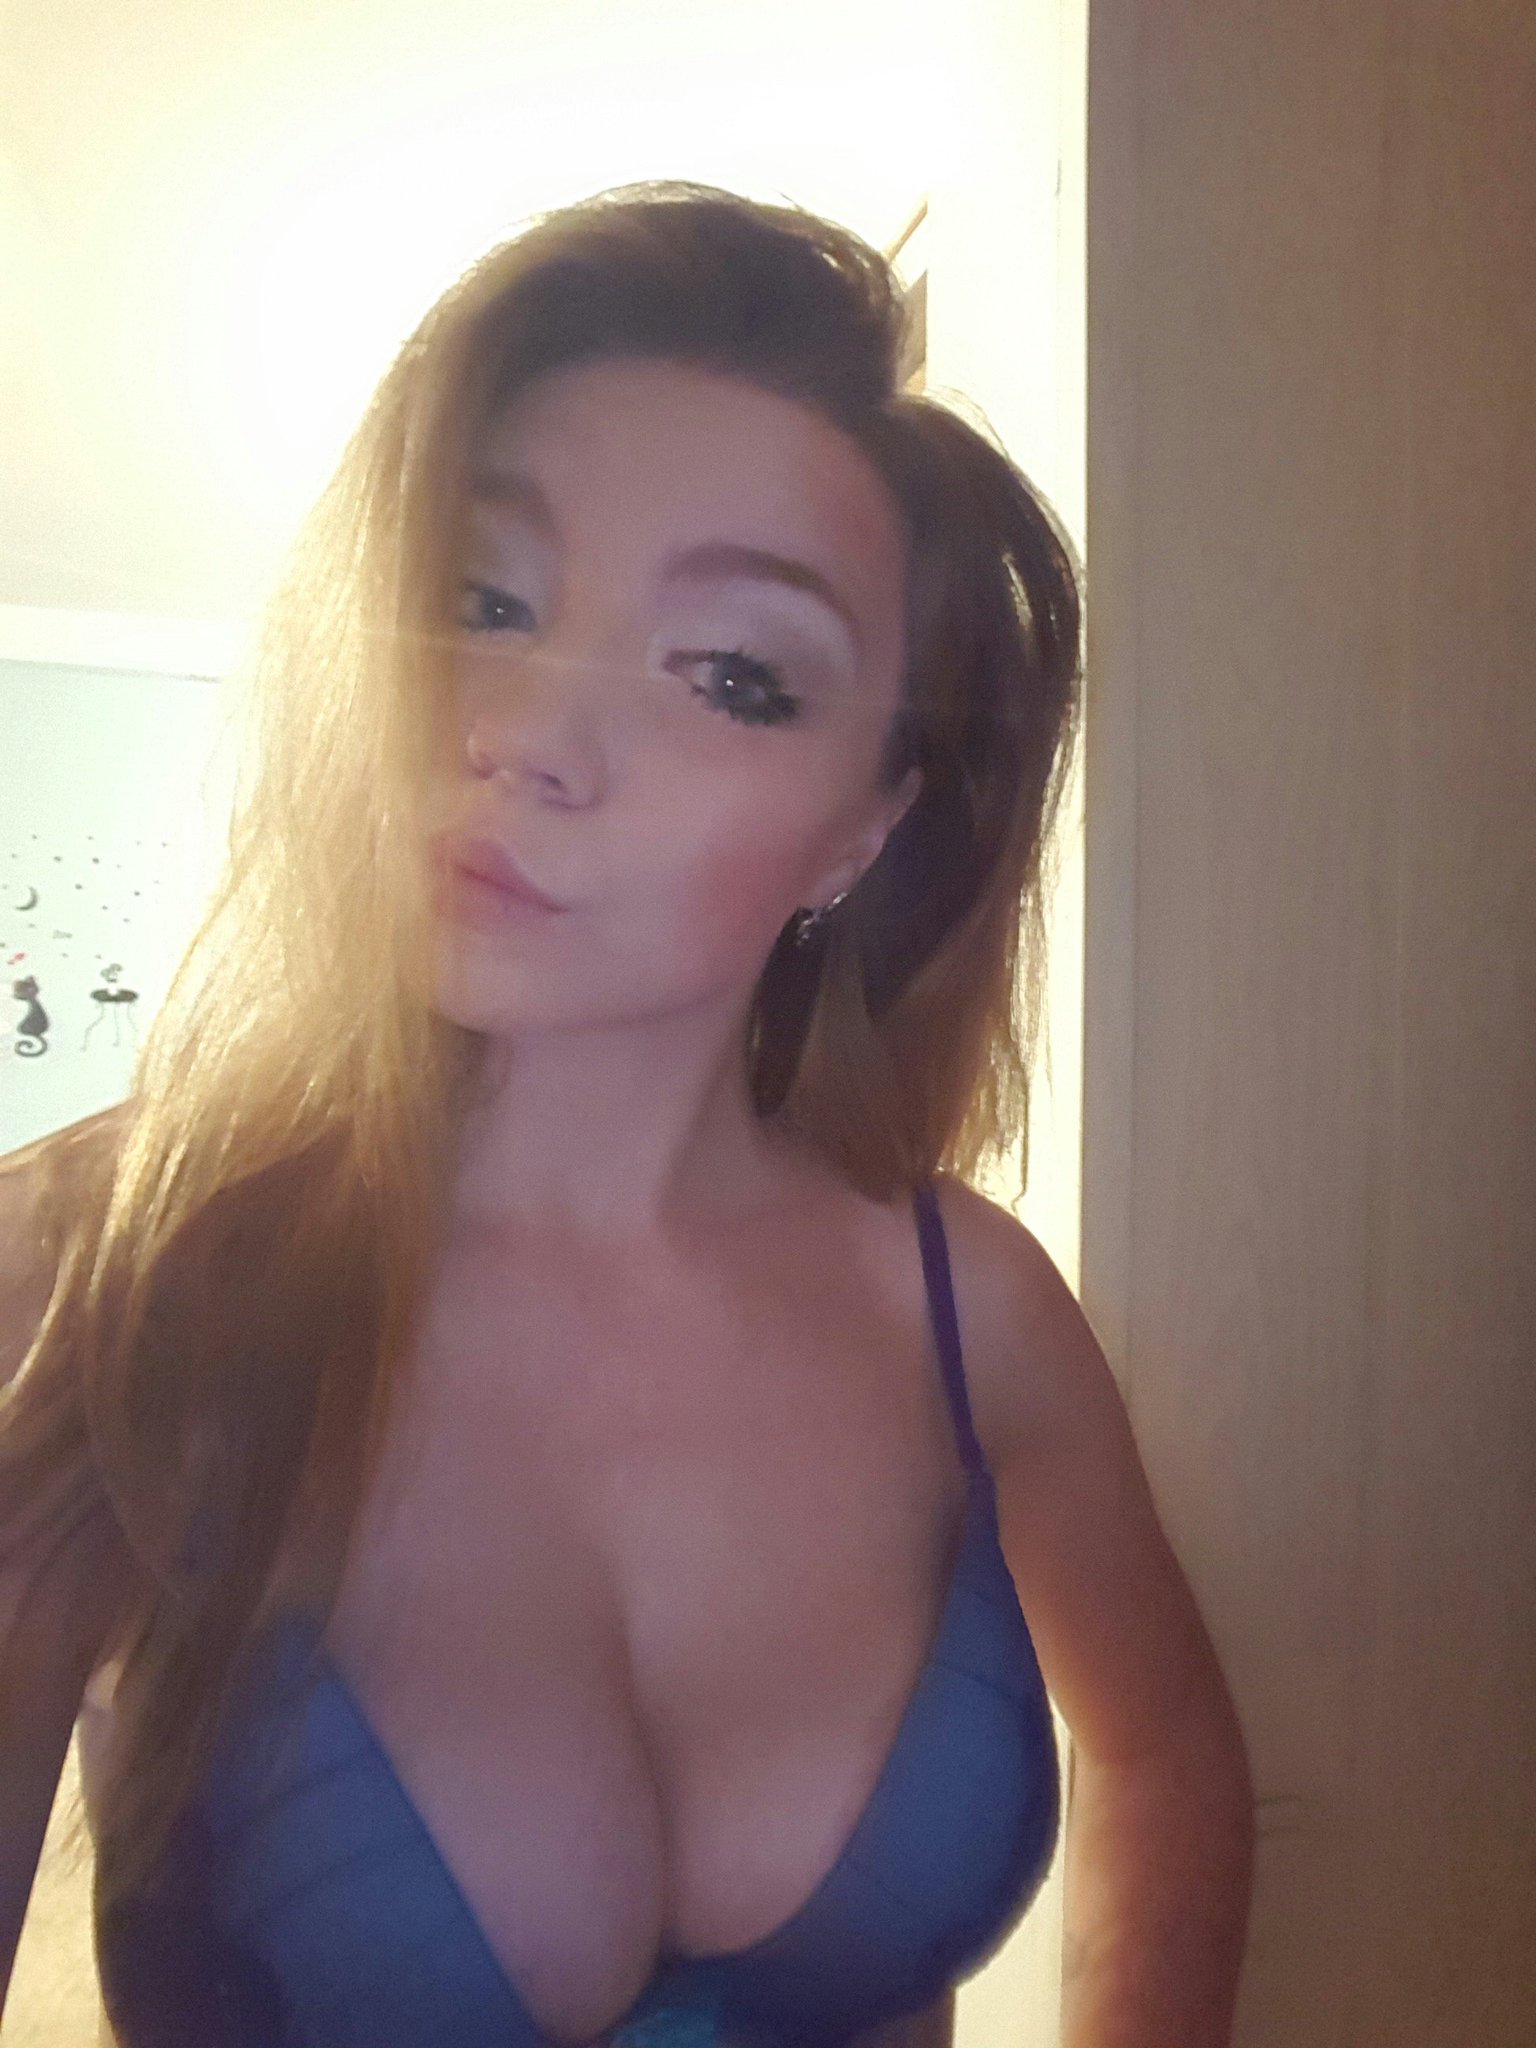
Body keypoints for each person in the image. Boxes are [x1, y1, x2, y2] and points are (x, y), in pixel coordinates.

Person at [0, 180, 1246, 2048]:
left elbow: (1167, 1755)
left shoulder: (966, 1308)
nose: (526, 730)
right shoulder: (85, 1279)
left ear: (868, 824)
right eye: (481, 600)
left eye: (732, 676)